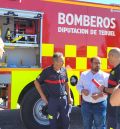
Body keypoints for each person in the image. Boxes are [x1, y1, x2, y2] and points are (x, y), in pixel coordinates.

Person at [34, 52, 73, 129]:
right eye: (61, 61)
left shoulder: (64, 70)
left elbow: (66, 84)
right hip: (52, 101)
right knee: (52, 119)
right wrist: (43, 96)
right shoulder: (47, 71)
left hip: (63, 100)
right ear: (55, 62)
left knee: (66, 119)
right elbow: (36, 82)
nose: (63, 62)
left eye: (63, 61)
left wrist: (69, 97)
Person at [76, 57, 109, 129]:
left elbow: (108, 91)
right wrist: (82, 91)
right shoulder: (84, 74)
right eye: (95, 63)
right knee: (87, 126)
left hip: (100, 105)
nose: (98, 65)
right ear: (91, 63)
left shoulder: (106, 76)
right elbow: (78, 86)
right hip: (86, 105)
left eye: (99, 63)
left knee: (100, 126)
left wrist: (99, 95)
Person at [100, 48, 120, 129]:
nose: (108, 58)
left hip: (116, 107)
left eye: (109, 56)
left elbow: (118, 89)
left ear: (114, 56)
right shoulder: (115, 69)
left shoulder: (119, 70)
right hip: (113, 107)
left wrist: (105, 89)